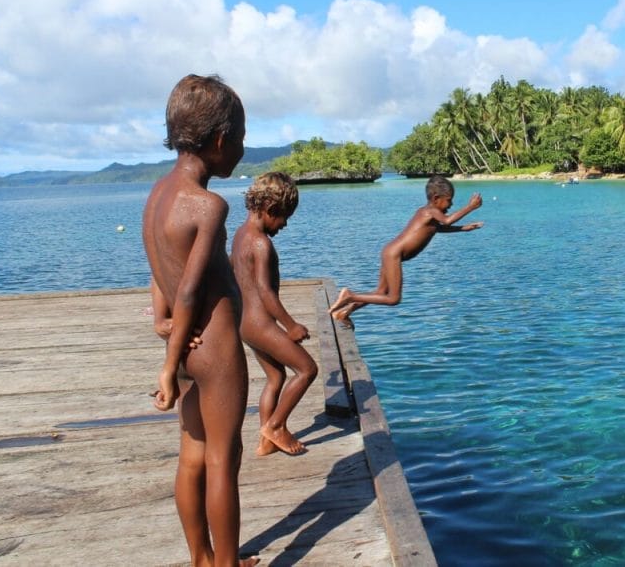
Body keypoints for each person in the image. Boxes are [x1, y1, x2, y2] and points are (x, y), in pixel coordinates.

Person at [142, 74, 257, 567]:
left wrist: (162, 324)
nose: (242, 151)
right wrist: (169, 366)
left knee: (192, 456)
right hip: (215, 346)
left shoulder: (157, 195)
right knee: (221, 461)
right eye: (240, 140)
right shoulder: (208, 204)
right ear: (217, 140)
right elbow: (191, 286)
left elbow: (160, 271)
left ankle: (202, 558)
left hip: (186, 346)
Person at [231, 172, 318, 456]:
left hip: (244, 323)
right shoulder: (261, 243)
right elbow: (266, 292)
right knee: (306, 369)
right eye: (283, 217)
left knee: (276, 378)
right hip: (260, 323)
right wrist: (291, 326)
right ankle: (276, 426)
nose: (285, 224)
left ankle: (266, 442)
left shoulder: (240, 235)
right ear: (270, 210)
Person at [329, 175, 484, 326]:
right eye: (449, 200)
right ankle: (350, 296)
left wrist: (464, 228)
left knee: (381, 292)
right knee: (393, 299)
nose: (451, 205)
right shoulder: (430, 211)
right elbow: (448, 220)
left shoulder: (429, 214)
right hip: (394, 254)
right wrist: (470, 207)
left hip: (390, 251)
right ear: (436, 198)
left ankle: (345, 312)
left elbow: (439, 229)